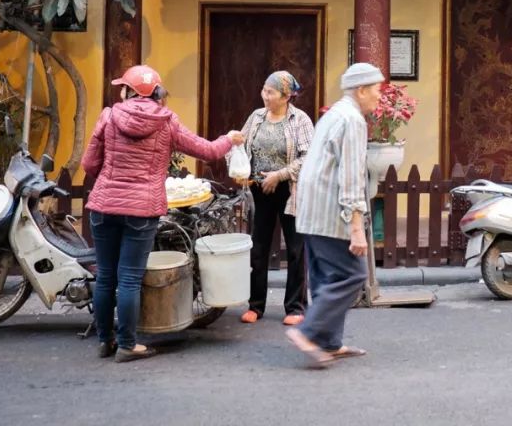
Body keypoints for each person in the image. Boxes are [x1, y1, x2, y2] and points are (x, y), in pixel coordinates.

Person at [81, 64, 244, 363]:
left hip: (104, 205)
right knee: (129, 278)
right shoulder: (167, 121)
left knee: (105, 276)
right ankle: (128, 345)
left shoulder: (109, 115)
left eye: (123, 86)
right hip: (141, 210)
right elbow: (206, 150)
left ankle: (106, 341)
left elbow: (89, 163)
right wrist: (229, 140)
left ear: (129, 91)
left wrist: (110, 175)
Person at [285, 62, 384, 368]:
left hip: (311, 210)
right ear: (362, 90)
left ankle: (329, 342)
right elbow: (351, 175)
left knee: (326, 278)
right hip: (330, 211)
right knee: (352, 275)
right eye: (377, 90)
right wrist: (356, 226)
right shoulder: (352, 119)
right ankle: (307, 332)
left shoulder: (333, 115)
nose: (380, 97)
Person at [237, 70, 314, 326]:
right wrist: (239, 168)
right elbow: (240, 144)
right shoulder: (257, 117)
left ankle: (295, 307)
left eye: (270, 92)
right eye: (264, 90)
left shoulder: (299, 120)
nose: (265, 96)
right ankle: (255, 305)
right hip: (260, 189)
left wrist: (279, 175)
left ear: (286, 97)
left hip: (289, 190)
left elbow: (308, 157)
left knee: (295, 248)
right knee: (258, 248)